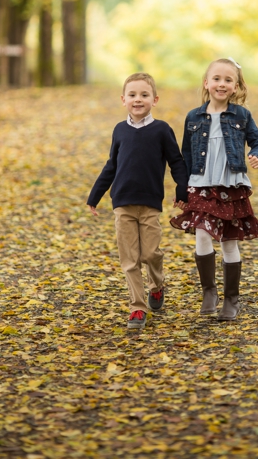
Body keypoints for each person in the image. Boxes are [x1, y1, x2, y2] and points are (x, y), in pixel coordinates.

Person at [87, 73, 190, 331]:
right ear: (123, 99)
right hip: (122, 203)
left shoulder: (162, 130)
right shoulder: (119, 130)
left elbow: (176, 162)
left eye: (144, 95)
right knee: (130, 259)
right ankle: (137, 307)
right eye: (132, 95)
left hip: (150, 203)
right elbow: (112, 165)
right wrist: (95, 195)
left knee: (150, 254)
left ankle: (157, 285)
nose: (138, 99)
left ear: (155, 100)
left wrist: (182, 190)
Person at [169, 58, 258, 321]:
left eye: (228, 80)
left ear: (236, 86)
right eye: (216, 79)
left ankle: (231, 299)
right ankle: (209, 292)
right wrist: (182, 189)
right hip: (201, 184)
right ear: (206, 83)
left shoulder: (241, 115)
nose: (221, 84)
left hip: (230, 185)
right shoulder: (193, 117)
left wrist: (257, 155)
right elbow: (186, 156)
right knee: (202, 235)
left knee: (228, 240)